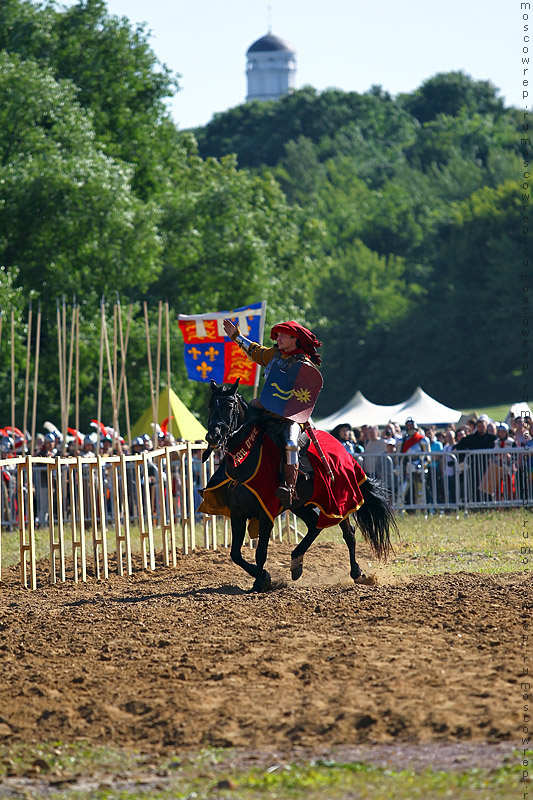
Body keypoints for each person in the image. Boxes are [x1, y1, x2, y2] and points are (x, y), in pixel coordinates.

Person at [223, 317, 322, 505]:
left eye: (283, 336)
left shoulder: (305, 366)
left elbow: (304, 397)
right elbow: (254, 351)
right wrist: (236, 337)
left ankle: (289, 487)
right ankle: (226, 477)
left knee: (291, 444)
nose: (279, 339)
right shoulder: (273, 355)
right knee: (242, 426)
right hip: (267, 412)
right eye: (278, 336)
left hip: (290, 418)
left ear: (295, 339)